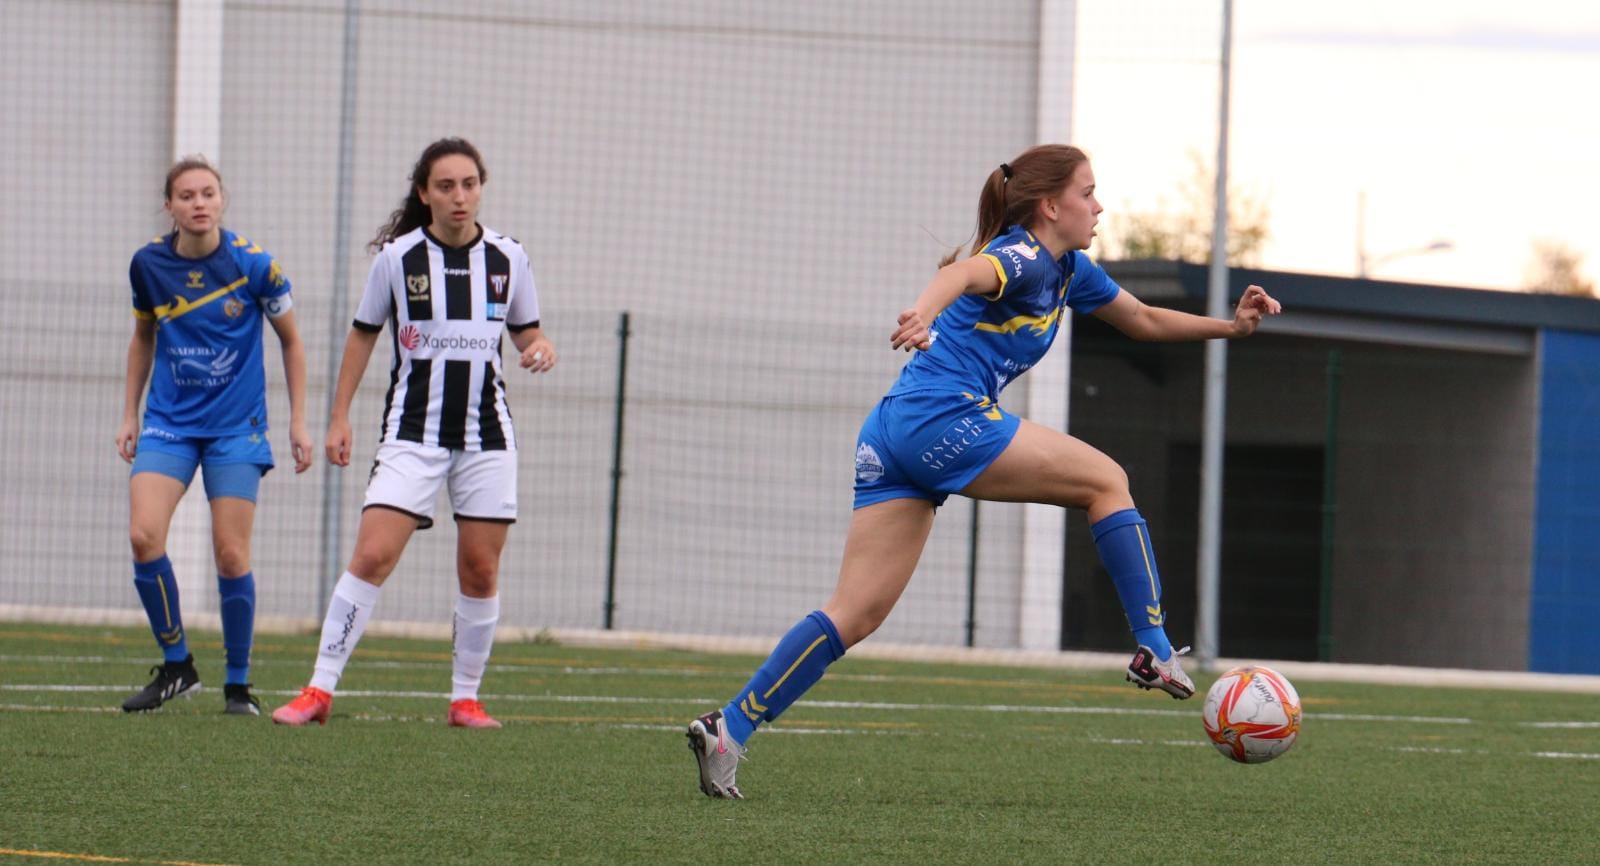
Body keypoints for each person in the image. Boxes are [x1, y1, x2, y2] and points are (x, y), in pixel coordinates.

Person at [686, 143, 1282, 798]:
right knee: (1106, 480)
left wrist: (1232, 328)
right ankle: (1154, 647)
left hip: (895, 431)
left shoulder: (1070, 270)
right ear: (1051, 205)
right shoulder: (1023, 255)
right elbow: (966, 274)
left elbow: (1139, 319)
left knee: (854, 613)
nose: (1099, 205)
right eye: (1088, 192)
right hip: (945, 419)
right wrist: (922, 310)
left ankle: (729, 728)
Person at [271, 137, 556, 729]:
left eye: (469, 184)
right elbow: (362, 335)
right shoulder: (398, 259)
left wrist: (540, 348)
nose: (459, 196)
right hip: (412, 432)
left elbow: (528, 332)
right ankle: (318, 691)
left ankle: (465, 698)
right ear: (424, 193)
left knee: (479, 569)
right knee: (373, 554)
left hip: (487, 437)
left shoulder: (509, 257)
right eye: (446, 186)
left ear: (482, 188)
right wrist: (339, 417)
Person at [118, 156, 313, 715]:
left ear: (222, 200)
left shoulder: (256, 266)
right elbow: (142, 338)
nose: (198, 203)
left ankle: (237, 684)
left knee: (231, 554)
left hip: (236, 429)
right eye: (186, 195)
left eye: (208, 193)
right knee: (143, 536)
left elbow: (292, 342)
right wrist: (129, 414)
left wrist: (298, 421)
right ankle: (178, 665)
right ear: (170, 205)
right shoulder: (148, 265)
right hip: (168, 424)